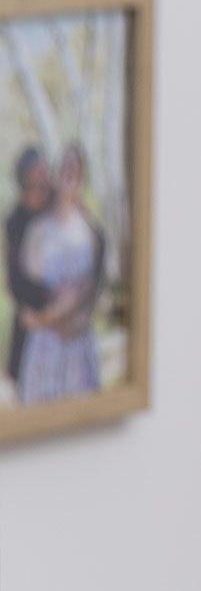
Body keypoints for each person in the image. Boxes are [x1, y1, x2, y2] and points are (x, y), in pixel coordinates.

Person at [16, 144, 105, 407]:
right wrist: (48, 317)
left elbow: (95, 292)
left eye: (76, 167)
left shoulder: (92, 232)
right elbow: (26, 298)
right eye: (65, 164)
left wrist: (77, 317)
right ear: (55, 173)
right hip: (45, 348)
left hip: (78, 348)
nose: (70, 171)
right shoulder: (37, 229)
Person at [5, 147, 53, 387]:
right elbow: (14, 279)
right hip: (29, 317)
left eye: (45, 171)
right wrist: (38, 313)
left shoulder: (57, 207)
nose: (43, 177)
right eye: (38, 172)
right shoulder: (15, 221)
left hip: (60, 312)